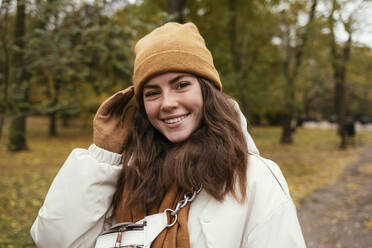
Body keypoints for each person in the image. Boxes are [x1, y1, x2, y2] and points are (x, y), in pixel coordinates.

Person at [30, 22, 306, 248]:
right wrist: (102, 155)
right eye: (152, 93)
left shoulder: (253, 177)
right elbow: (54, 241)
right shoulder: (131, 173)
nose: (167, 103)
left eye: (181, 85)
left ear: (207, 92)